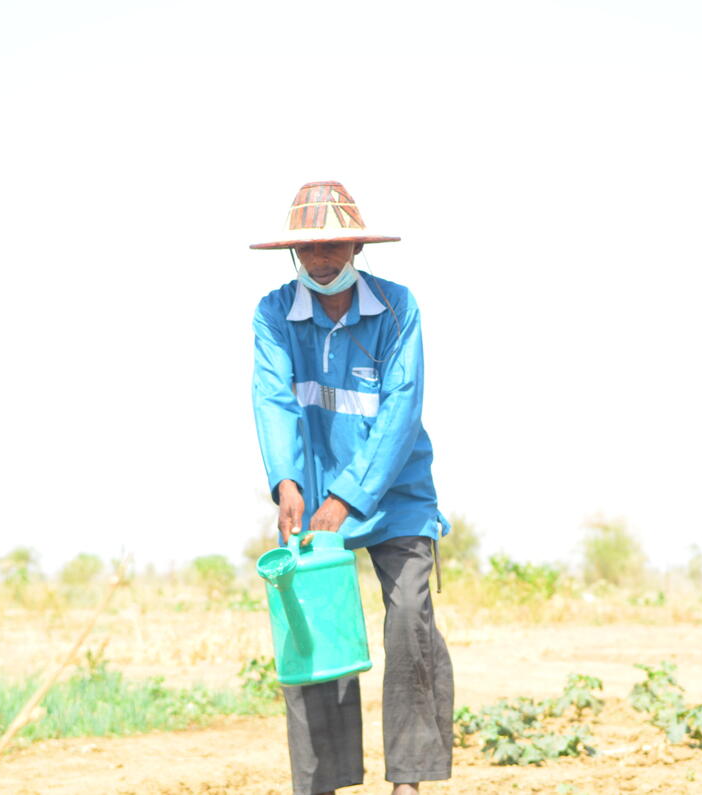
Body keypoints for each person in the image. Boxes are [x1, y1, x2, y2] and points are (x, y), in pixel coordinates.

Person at [250, 181, 453, 795]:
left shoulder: (397, 309)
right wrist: (287, 482)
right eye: (309, 250)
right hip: (312, 500)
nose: (322, 260)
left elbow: (400, 411)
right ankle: (324, 782)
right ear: (294, 255)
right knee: (316, 627)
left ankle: (409, 780)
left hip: (396, 494)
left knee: (410, 621)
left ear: (357, 245)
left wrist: (351, 496)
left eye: (333, 245)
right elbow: (273, 399)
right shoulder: (274, 314)